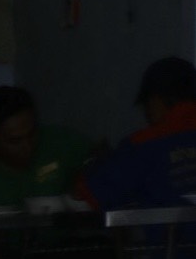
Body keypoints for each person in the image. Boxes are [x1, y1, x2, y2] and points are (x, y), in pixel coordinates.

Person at [0, 85, 92, 213]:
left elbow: (99, 155)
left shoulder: (60, 141)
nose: (27, 146)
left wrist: (85, 182)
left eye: (32, 135)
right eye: (15, 141)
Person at [81, 56, 196, 213]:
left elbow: (86, 194)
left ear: (156, 99)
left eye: (146, 104)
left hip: (172, 237)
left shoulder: (142, 146)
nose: (146, 114)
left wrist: (95, 162)